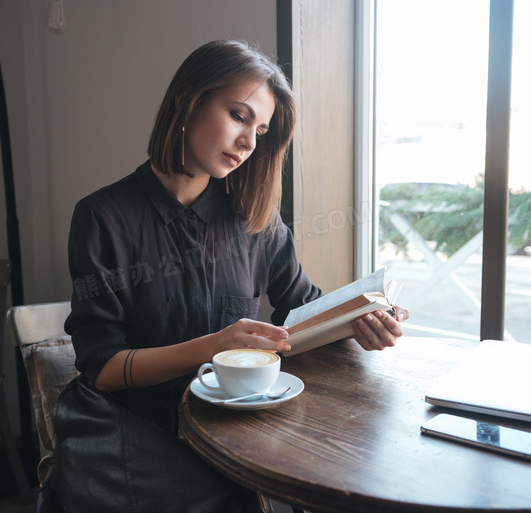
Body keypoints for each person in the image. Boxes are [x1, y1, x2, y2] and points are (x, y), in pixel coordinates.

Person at [42, 40, 409, 513]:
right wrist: (215, 345)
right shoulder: (103, 218)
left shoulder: (255, 218)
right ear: (186, 100)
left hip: (235, 428)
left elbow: (301, 310)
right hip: (133, 432)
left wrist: (360, 321)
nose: (249, 143)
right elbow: (105, 369)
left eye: (260, 130)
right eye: (239, 116)